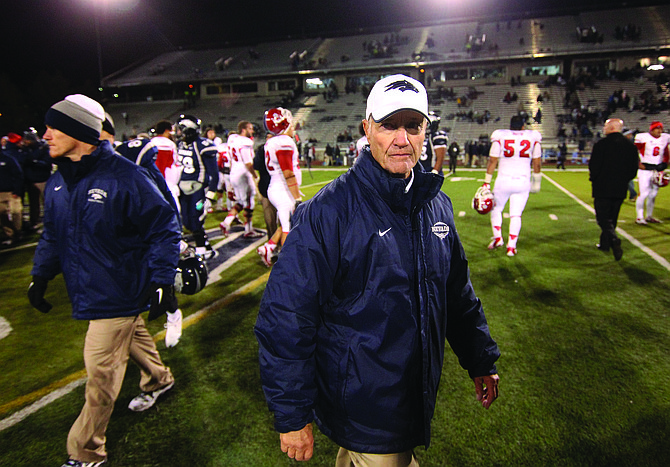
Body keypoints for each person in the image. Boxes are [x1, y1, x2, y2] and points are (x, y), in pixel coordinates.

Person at [255, 74, 500, 466]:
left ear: (426, 132)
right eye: (389, 125)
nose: (402, 139)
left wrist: (480, 358)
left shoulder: (436, 205)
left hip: (404, 395)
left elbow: (455, 293)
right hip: (365, 403)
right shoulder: (328, 210)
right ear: (366, 129)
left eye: (413, 126)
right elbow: (286, 314)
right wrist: (291, 412)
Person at [29, 94, 178, 467]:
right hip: (93, 288)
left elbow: (163, 229)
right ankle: (160, 378)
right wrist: (41, 273)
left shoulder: (126, 176)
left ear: (79, 130)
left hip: (119, 289)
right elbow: (53, 234)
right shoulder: (60, 181)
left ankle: (86, 451)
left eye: (53, 126)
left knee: (100, 371)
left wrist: (162, 278)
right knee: (132, 336)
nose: (45, 135)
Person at [101, 115, 184, 348]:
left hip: (147, 232)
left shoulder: (139, 164)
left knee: (158, 283)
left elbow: (164, 204)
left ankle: (173, 315)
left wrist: (175, 235)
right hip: (122, 237)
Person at [484, 114, 542, 257]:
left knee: (496, 210)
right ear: (523, 126)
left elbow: (492, 161)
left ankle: (498, 239)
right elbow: (537, 162)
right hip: (522, 181)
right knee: (516, 215)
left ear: (510, 126)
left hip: (503, 181)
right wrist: (536, 182)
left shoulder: (500, 135)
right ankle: (511, 247)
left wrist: (486, 182)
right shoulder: (532, 136)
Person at [256, 107, 302, 267]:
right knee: (288, 228)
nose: (292, 127)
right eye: (289, 124)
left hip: (277, 188)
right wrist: (297, 198)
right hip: (283, 190)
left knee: (285, 222)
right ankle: (286, 264)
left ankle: (268, 248)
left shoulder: (272, 142)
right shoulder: (283, 142)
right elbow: (288, 173)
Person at [588, 118, 639, 261]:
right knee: (613, 216)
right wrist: (624, 180)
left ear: (610, 128)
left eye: (605, 126)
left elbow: (594, 166)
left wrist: (594, 179)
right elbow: (633, 169)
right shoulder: (630, 146)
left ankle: (613, 239)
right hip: (620, 187)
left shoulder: (601, 144)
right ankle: (606, 244)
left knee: (602, 217)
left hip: (603, 186)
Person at [175, 114, 219, 257]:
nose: (178, 132)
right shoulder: (180, 145)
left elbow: (214, 174)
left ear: (189, 129)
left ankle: (202, 252)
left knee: (196, 221)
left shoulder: (203, 145)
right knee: (186, 222)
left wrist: (210, 195)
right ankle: (205, 245)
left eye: (181, 129)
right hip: (183, 188)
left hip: (198, 188)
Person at [220, 121, 263, 238]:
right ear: (243, 129)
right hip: (243, 174)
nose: (252, 131)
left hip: (234, 172)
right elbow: (248, 163)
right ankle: (248, 230)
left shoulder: (232, 139)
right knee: (249, 203)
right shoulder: (245, 142)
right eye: (250, 129)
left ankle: (226, 222)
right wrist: (255, 175)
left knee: (240, 201)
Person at [633, 121, 670, 224]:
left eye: (660, 129)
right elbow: (633, 150)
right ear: (651, 129)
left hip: (657, 169)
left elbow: (666, 152)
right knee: (644, 194)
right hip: (645, 169)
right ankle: (639, 217)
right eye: (657, 128)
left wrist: (665, 163)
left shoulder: (665, 138)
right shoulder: (643, 137)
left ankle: (649, 216)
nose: (659, 131)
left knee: (653, 194)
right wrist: (638, 163)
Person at [19, 128, 52, 231]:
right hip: (30, 180)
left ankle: (50, 221)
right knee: (34, 204)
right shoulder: (25, 149)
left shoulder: (43, 148)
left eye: (27, 140)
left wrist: (34, 162)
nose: (25, 142)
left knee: (47, 202)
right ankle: (35, 221)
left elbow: (47, 163)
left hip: (42, 179)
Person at [151, 120, 182, 211]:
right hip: (166, 181)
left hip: (163, 180)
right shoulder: (164, 143)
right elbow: (160, 164)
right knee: (173, 209)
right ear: (166, 131)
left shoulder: (154, 141)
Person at [0, 143, 24, 245]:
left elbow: (18, 174)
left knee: (16, 212)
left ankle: (18, 232)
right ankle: (10, 234)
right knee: (2, 215)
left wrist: (17, 191)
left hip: (11, 192)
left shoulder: (8, 159)